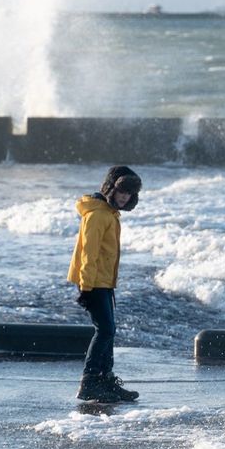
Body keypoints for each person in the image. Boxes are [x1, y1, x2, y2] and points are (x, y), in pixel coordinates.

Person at [68, 165, 143, 403]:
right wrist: (86, 287)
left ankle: (105, 380)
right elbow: (88, 254)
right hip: (94, 283)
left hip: (104, 282)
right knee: (105, 330)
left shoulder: (109, 213)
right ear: (110, 188)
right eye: (122, 192)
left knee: (109, 331)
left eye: (129, 194)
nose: (125, 197)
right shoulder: (98, 215)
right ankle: (89, 382)